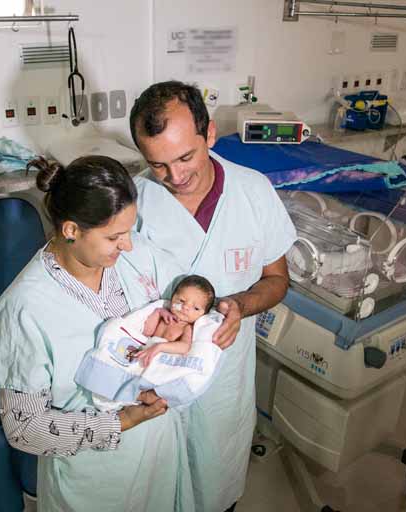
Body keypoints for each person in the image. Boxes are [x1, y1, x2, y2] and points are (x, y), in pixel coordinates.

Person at [0, 155, 194, 512]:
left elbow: (191, 302)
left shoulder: (136, 255)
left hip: (159, 456)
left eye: (129, 230)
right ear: (71, 230)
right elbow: (26, 428)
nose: (128, 245)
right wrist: (122, 421)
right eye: (114, 236)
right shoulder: (24, 311)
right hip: (95, 483)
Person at [130, 81, 297, 511]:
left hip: (224, 379)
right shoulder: (135, 202)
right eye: (158, 165)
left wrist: (240, 306)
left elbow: (277, 279)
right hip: (152, 380)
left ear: (209, 134)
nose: (175, 176)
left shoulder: (252, 191)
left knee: (215, 489)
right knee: (154, 492)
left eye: (186, 156)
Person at [135, 274, 216, 367]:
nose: (185, 307)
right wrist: (158, 312)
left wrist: (159, 347)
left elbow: (185, 347)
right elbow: (146, 333)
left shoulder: (187, 327)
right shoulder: (164, 316)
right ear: (173, 297)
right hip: (145, 353)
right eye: (182, 300)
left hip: (162, 362)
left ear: (204, 314)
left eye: (196, 308)